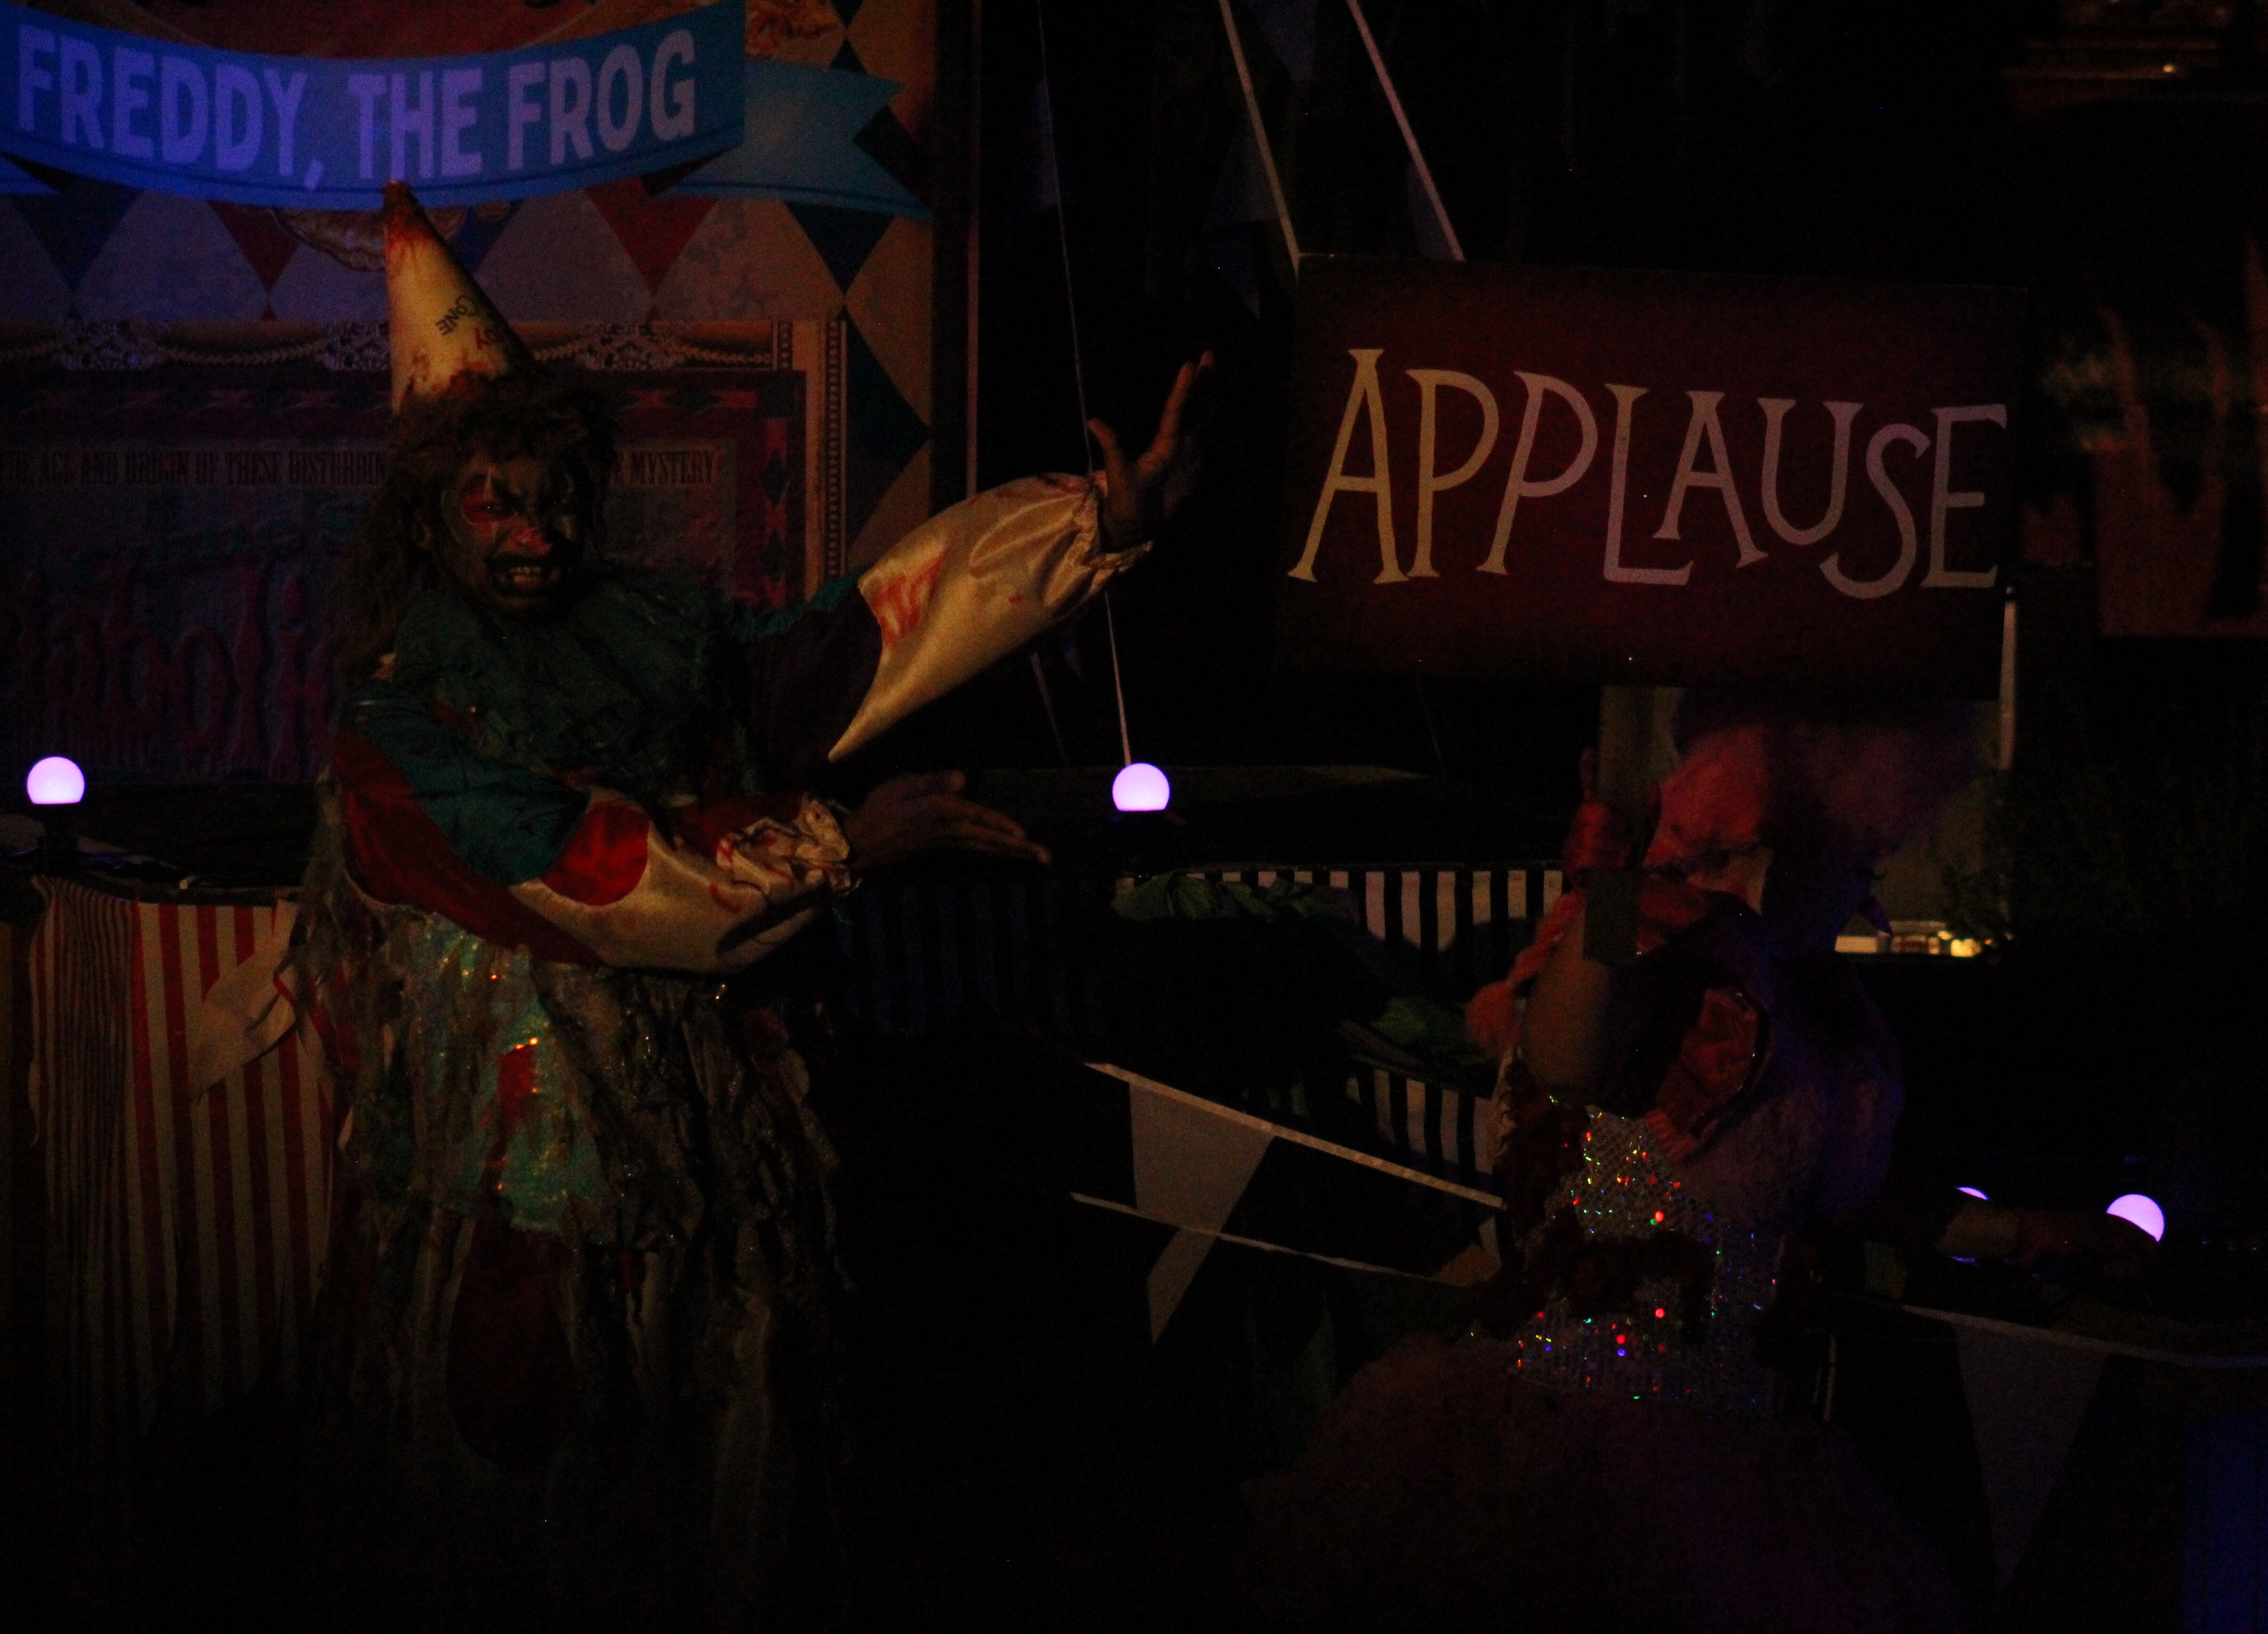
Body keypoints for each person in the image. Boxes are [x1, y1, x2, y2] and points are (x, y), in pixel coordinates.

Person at [296, 181, 1209, 1630]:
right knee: (534, 1496)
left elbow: (864, 639)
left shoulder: (660, 647)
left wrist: (1086, 524)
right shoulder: (401, 728)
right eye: (495, 500)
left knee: (722, 1477)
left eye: (557, 496)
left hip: (708, 1153)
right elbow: (585, 872)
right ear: (429, 514)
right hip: (526, 1184)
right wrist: (831, 848)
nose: (536, 532)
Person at [1248, 692, 2151, 1634]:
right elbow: (1566, 1064)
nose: (1869, 895)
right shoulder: (1650, 956)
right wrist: (1608, 896)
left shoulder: (1816, 1005)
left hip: (1741, 1454)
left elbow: (1850, 1194)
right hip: (1570, 1447)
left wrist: (2026, 1232)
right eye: (1859, 863)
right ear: (1778, 851)